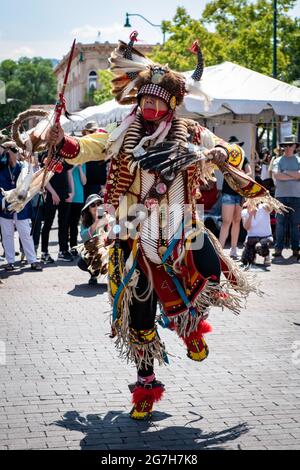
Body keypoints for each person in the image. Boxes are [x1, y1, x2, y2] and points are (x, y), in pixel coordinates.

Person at [45, 35, 280, 420]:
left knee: (207, 269)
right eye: (145, 99)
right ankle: (146, 386)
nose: (149, 105)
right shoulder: (121, 133)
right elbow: (88, 147)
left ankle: (191, 328)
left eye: (157, 100)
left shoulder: (190, 132)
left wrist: (223, 152)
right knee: (138, 311)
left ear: (171, 103)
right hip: (131, 233)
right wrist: (63, 141)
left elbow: (231, 151)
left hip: (180, 226)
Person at [0, 142, 42, 271]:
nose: (12, 154)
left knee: (25, 234)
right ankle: (10, 261)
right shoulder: (1, 166)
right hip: (5, 204)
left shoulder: (23, 168)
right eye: (9, 151)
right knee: (7, 235)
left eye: (13, 151)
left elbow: (30, 182)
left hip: (21, 205)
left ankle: (33, 260)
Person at [219, 136, 252, 259]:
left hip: (239, 193)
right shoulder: (225, 158)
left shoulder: (243, 158)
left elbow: (249, 173)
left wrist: (240, 175)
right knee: (226, 221)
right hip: (228, 192)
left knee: (236, 221)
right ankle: (220, 250)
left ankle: (233, 249)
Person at [272, 135, 300, 260]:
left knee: (295, 225)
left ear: (295, 146)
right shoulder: (277, 160)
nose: (287, 147)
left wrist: (285, 172)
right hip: (280, 197)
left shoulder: (298, 160)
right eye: (285, 145)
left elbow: (299, 175)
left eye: (290, 145)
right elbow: (277, 176)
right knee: (280, 224)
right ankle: (278, 249)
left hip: (296, 196)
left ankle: (296, 249)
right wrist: (294, 175)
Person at [41, 159, 74, 263]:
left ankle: (63, 251)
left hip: (65, 194)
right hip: (52, 195)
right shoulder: (48, 155)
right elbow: (45, 177)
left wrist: (72, 192)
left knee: (64, 224)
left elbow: (69, 174)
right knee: (48, 224)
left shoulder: (66, 157)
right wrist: (53, 193)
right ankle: (44, 252)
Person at [78, 194, 108, 285]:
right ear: (88, 209)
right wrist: (97, 222)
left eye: (99, 204)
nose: (96, 207)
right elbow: (84, 236)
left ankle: (111, 276)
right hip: (94, 251)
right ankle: (94, 273)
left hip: (107, 250)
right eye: (93, 205)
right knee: (82, 262)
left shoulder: (108, 217)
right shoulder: (85, 221)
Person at [82, 122, 107, 199]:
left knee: (99, 210)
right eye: (90, 131)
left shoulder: (103, 145)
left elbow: (109, 166)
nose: (92, 134)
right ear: (85, 133)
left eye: (93, 131)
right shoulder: (82, 145)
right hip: (84, 185)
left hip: (99, 186)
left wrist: (105, 186)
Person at [68, 164, 87, 256]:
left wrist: (79, 168)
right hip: (67, 196)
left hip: (79, 197)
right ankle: (63, 249)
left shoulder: (82, 164)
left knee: (74, 224)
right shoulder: (67, 163)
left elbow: (84, 182)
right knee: (65, 224)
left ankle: (73, 246)